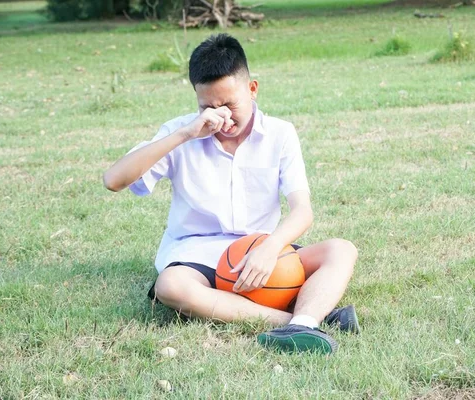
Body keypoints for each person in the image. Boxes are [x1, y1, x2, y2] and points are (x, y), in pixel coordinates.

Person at [103, 33, 359, 354]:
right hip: (198, 257)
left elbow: (302, 210)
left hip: (263, 253)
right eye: (207, 106)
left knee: (341, 250)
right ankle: (299, 323)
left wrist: (271, 247)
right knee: (170, 286)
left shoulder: (280, 133)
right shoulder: (180, 132)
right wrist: (186, 133)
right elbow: (114, 179)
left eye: (228, 104)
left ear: (252, 89)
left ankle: (305, 323)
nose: (220, 117)